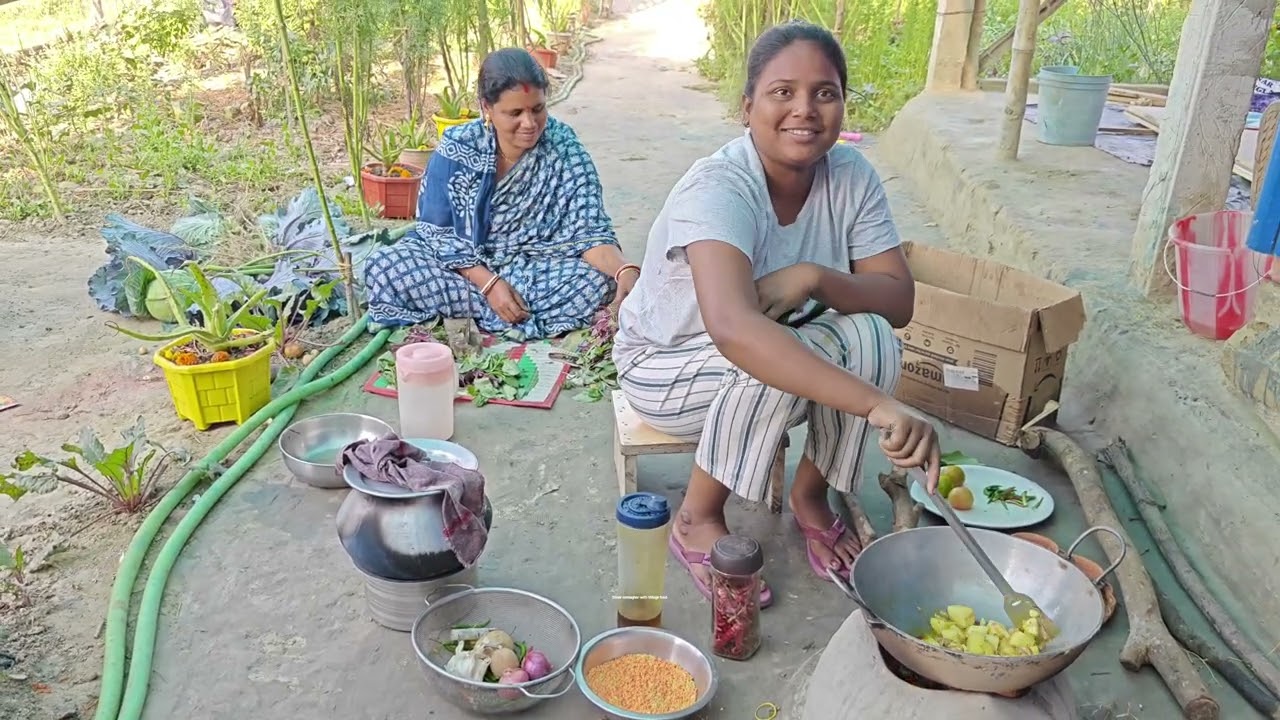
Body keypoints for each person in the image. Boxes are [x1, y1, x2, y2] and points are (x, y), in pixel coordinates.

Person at [613, 21, 940, 607]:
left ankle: (810, 494)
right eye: (782, 92)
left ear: (843, 104)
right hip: (664, 366)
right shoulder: (718, 187)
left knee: (872, 334)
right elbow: (735, 331)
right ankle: (696, 516)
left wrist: (815, 277)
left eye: (824, 92)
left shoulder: (851, 176)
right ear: (747, 108)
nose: (805, 110)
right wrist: (877, 404)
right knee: (771, 353)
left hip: (764, 356)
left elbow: (898, 301)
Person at [363, 48, 640, 339]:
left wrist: (624, 269)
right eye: (515, 113)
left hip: (537, 267)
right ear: (487, 107)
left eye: (537, 109)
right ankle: (505, 311)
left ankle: (482, 311)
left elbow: (589, 231)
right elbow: (437, 234)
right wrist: (489, 284)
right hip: (464, 268)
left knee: (598, 283)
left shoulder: (563, 146)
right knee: (386, 267)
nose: (530, 123)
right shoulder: (459, 146)